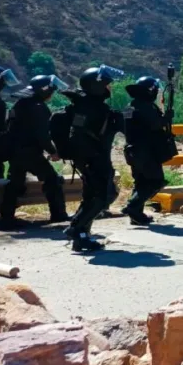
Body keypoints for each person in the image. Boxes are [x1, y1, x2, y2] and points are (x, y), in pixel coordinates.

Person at [62, 67, 124, 252]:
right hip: (95, 158)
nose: (109, 88)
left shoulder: (83, 104)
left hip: (88, 158)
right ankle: (76, 229)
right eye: (106, 84)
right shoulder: (95, 108)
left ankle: (81, 236)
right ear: (97, 86)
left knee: (92, 196)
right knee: (104, 195)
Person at [0, 75, 69, 229]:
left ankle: (6, 216)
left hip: (15, 151)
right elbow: (42, 134)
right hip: (30, 152)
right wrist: (53, 151)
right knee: (52, 180)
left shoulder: (20, 103)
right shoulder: (38, 107)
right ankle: (59, 215)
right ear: (45, 90)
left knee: (15, 182)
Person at [120, 76, 173, 225]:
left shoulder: (130, 106)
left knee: (141, 182)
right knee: (156, 181)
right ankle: (132, 206)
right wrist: (166, 118)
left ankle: (136, 215)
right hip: (145, 151)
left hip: (133, 151)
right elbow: (155, 124)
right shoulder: (144, 106)